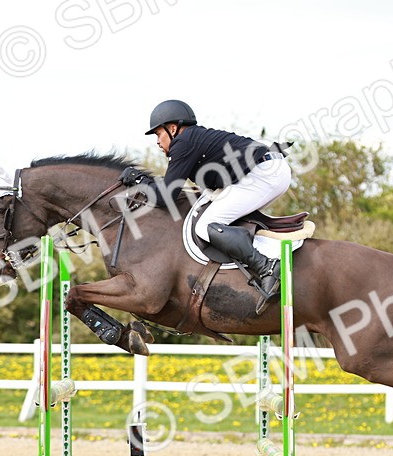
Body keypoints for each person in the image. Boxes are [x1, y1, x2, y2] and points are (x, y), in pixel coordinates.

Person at [118, 100, 292, 313]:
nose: (157, 141)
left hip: (264, 173)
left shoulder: (183, 142)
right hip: (264, 170)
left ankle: (268, 268)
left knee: (206, 225)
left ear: (172, 129)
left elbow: (166, 196)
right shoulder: (192, 140)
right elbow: (173, 189)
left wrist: (139, 181)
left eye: (158, 134)